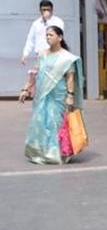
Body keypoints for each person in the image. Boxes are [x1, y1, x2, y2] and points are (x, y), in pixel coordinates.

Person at [19, 26, 83, 165]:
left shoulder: (66, 57)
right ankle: (40, 153)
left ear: (60, 37)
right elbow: (34, 72)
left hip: (58, 94)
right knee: (40, 122)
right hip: (42, 94)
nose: (48, 37)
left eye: (51, 35)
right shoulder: (42, 54)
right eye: (46, 35)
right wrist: (25, 88)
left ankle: (56, 153)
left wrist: (70, 95)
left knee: (54, 123)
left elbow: (70, 78)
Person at [21, 0, 63, 67]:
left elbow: (57, 35)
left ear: (52, 10)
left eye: (48, 10)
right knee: (39, 76)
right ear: (40, 11)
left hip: (54, 55)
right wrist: (25, 54)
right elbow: (30, 39)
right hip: (40, 56)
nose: (46, 12)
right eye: (44, 10)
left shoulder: (58, 22)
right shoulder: (36, 23)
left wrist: (47, 20)